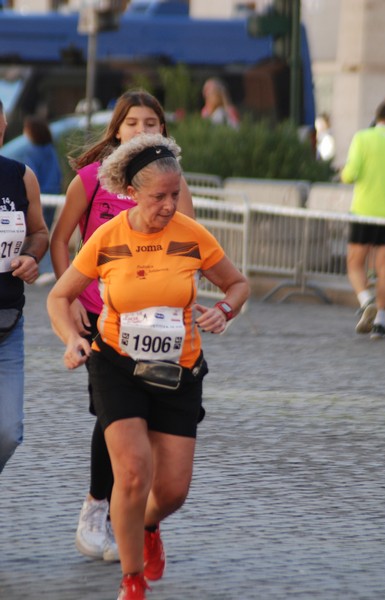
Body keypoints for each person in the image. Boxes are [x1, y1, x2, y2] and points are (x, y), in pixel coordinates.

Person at [47, 132, 249, 600]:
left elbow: (238, 284)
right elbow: (59, 296)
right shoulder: (107, 238)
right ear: (132, 194)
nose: (169, 205)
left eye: (175, 195)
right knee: (133, 473)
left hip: (179, 370)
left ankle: (150, 524)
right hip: (116, 364)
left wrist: (225, 310)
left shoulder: (191, 236)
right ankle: (132, 579)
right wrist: (73, 338)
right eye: (159, 196)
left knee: (173, 490)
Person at [50, 90, 195, 563]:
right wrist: (69, 302)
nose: (142, 130)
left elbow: (190, 246)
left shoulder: (173, 186)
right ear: (117, 129)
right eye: (133, 122)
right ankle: (98, 507)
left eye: (151, 122)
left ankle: (132, 510)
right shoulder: (91, 180)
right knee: (109, 415)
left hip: (158, 320)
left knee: (147, 422)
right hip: (100, 314)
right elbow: (62, 239)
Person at [0, 99, 49, 475]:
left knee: (6, 433)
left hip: (6, 326)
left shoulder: (20, 175)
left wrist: (32, 257)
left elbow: (39, 232)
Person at [341, 95, 385, 339]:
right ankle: (381, 322)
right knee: (384, 266)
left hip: (364, 210)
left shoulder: (362, 138)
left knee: (355, 263)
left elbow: (350, 175)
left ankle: (366, 302)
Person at [20, 115, 62, 285]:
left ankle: (39, 268)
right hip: (53, 195)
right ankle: (47, 269)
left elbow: (30, 175)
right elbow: (57, 174)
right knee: (46, 233)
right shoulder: (50, 149)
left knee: (35, 234)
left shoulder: (31, 151)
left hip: (39, 197)